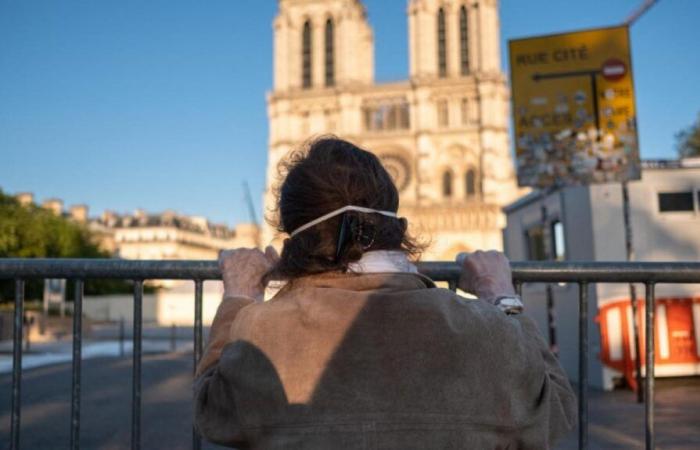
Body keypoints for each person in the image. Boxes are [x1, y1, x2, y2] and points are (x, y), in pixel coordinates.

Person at [194, 137, 576, 449]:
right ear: (395, 222)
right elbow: (556, 409)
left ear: (294, 236)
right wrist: (502, 297)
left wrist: (239, 297)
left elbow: (212, 412)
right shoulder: (485, 329)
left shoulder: (262, 331)